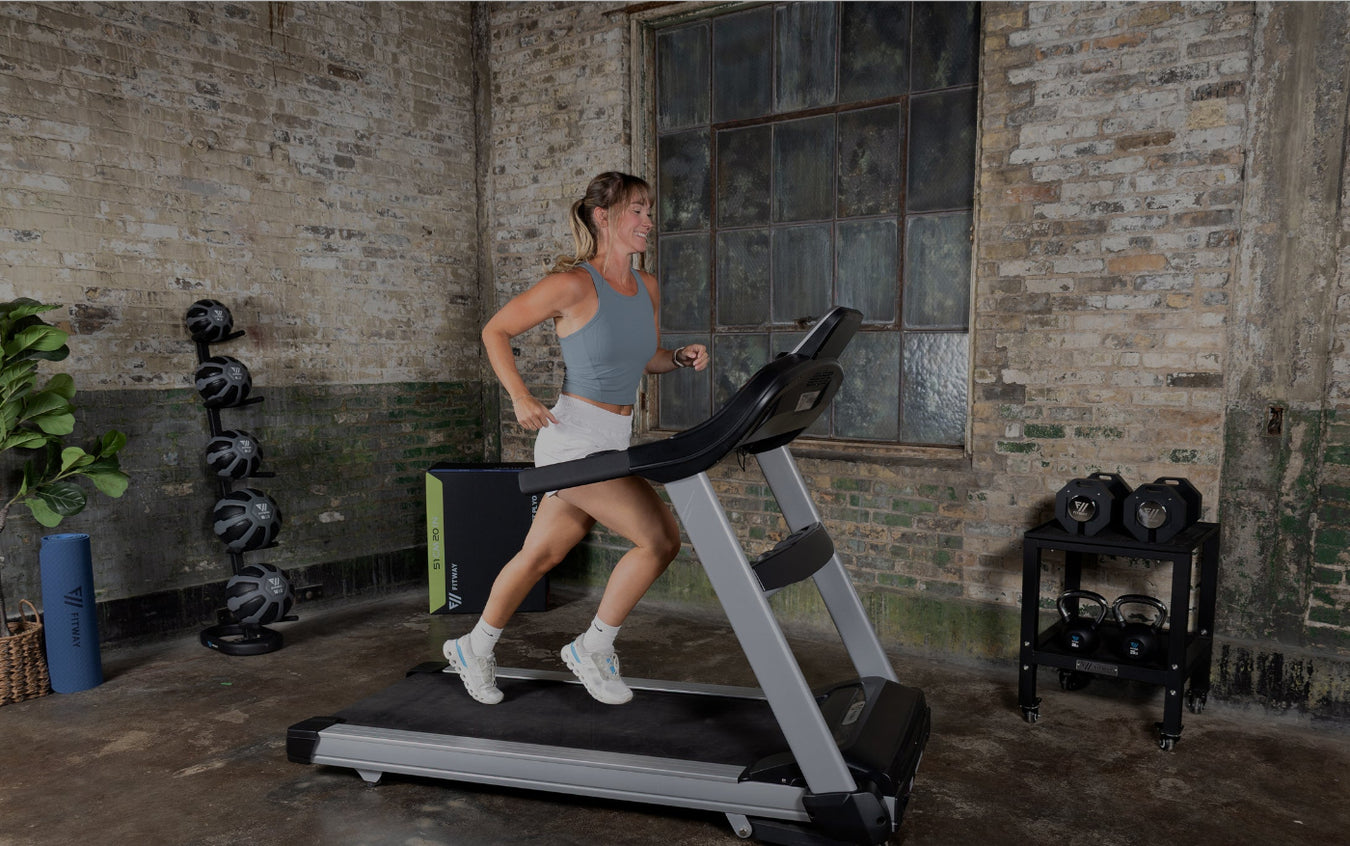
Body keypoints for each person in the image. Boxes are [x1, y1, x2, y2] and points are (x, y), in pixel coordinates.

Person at [443, 171, 708, 706]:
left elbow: (645, 359)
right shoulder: (573, 284)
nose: (648, 221)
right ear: (602, 217)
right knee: (659, 540)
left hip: (613, 438)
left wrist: (677, 358)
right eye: (636, 210)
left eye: (649, 210)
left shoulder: (647, 286)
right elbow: (495, 330)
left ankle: (475, 645)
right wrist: (519, 395)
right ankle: (593, 646)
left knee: (540, 556)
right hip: (572, 442)